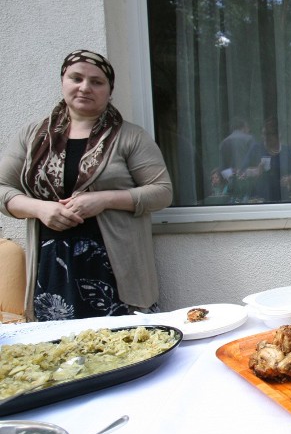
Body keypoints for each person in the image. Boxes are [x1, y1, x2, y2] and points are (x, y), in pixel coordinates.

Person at [0, 50, 173, 321]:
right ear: (63, 82)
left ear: (109, 90)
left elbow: (161, 191)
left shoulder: (130, 136)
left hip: (115, 268)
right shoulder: (32, 136)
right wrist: (40, 209)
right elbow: (2, 188)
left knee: (124, 350)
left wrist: (104, 200)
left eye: (96, 81)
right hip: (52, 268)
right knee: (61, 355)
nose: (85, 87)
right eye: (76, 78)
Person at [240, 118, 291, 202]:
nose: (265, 137)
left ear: (278, 135)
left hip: (281, 198)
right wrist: (255, 171)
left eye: (269, 134)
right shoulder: (256, 149)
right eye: (263, 134)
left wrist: (288, 179)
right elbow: (242, 171)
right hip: (258, 198)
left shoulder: (287, 151)